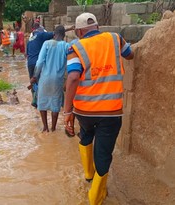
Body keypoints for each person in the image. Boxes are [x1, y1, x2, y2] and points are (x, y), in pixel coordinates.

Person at [63, 13, 134, 205]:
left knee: (86, 136)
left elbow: (73, 77)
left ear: (78, 31)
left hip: (84, 111)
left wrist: (67, 111)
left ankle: (88, 175)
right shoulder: (115, 38)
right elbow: (130, 54)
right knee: (103, 153)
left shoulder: (75, 47)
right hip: (111, 112)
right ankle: (95, 198)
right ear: (97, 27)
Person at [30, 25, 69, 132]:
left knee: (42, 102)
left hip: (45, 78)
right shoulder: (66, 46)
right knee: (55, 103)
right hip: (58, 80)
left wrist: (34, 76)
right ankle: (53, 128)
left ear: (54, 34)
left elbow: (40, 62)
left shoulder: (47, 43)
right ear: (64, 36)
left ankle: (45, 127)